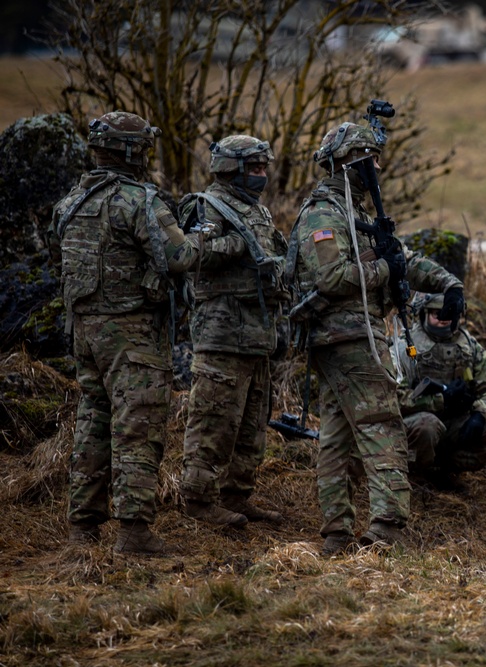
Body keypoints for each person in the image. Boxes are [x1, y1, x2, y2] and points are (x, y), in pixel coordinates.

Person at [286, 120, 464, 556]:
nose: (378, 168)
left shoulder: (355, 213)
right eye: (371, 160)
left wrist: (449, 285)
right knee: (382, 424)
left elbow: (402, 257)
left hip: (350, 334)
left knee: (339, 433)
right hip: (347, 335)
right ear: (349, 163)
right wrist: (384, 269)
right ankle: (386, 530)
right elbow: (331, 277)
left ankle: (336, 536)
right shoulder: (324, 213)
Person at [49, 111, 204, 555]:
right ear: (133, 152)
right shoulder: (139, 201)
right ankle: (134, 532)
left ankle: (83, 527)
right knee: (138, 426)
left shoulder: (72, 202)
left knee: (93, 422)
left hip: (84, 330)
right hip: (132, 335)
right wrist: (205, 239)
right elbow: (178, 256)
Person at [177, 135, 290, 527]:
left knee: (252, 425)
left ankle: (237, 495)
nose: (262, 175)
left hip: (259, 335)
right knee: (213, 422)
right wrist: (235, 246)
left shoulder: (257, 211)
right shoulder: (207, 205)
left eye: (263, 168)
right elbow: (189, 254)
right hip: (222, 336)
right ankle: (198, 500)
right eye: (254, 168)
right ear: (231, 169)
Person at [392, 292, 486, 483]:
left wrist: (480, 414)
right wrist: (441, 400)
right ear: (424, 313)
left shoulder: (468, 346)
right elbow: (392, 399)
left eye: (450, 314)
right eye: (437, 314)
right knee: (427, 425)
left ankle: (445, 471)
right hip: (414, 427)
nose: (444, 320)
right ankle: (413, 474)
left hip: (453, 425)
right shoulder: (403, 348)